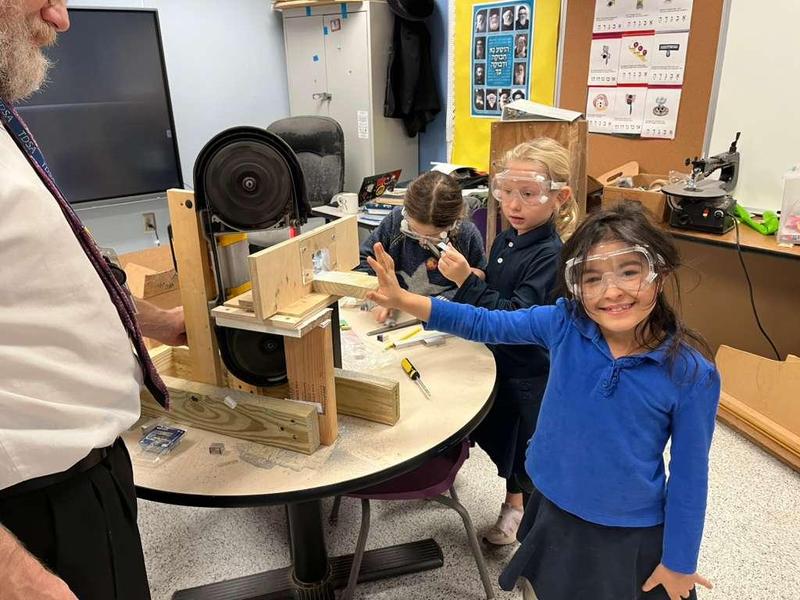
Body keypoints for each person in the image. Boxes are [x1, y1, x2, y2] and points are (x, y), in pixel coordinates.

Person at [366, 203, 719, 600]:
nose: (612, 291)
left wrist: (679, 562)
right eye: (592, 278)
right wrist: (405, 300)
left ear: (661, 274)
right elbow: (485, 322)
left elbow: (691, 476)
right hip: (549, 505)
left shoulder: (691, 373)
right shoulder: (565, 322)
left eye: (630, 272)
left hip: (627, 530)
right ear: (574, 285)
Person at [0, 2, 185, 599]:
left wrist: (159, 322)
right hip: (31, 519)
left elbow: (56, 277)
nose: (61, 18)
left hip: (88, 481)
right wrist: (16, 577)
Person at [437, 139, 577, 546]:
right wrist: (475, 277)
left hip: (527, 374)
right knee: (498, 439)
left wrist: (467, 282)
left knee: (522, 456)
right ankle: (514, 503)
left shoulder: (552, 255)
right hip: (499, 364)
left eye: (528, 194)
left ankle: (521, 514)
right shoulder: (506, 238)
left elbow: (516, 317)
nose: (514, 204)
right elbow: (497, 286)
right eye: (507, 192)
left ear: (559, 196)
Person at [357, 171, 486, 323]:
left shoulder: (466, 234)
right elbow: (363, 262)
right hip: (396, 316)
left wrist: (438, 304)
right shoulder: (395, 221)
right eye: (414, 233)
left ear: (454, 223)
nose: (423, 243)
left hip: (441, 317)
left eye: (434, 237)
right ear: (406, 215)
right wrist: (381, 292)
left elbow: (479, 283)